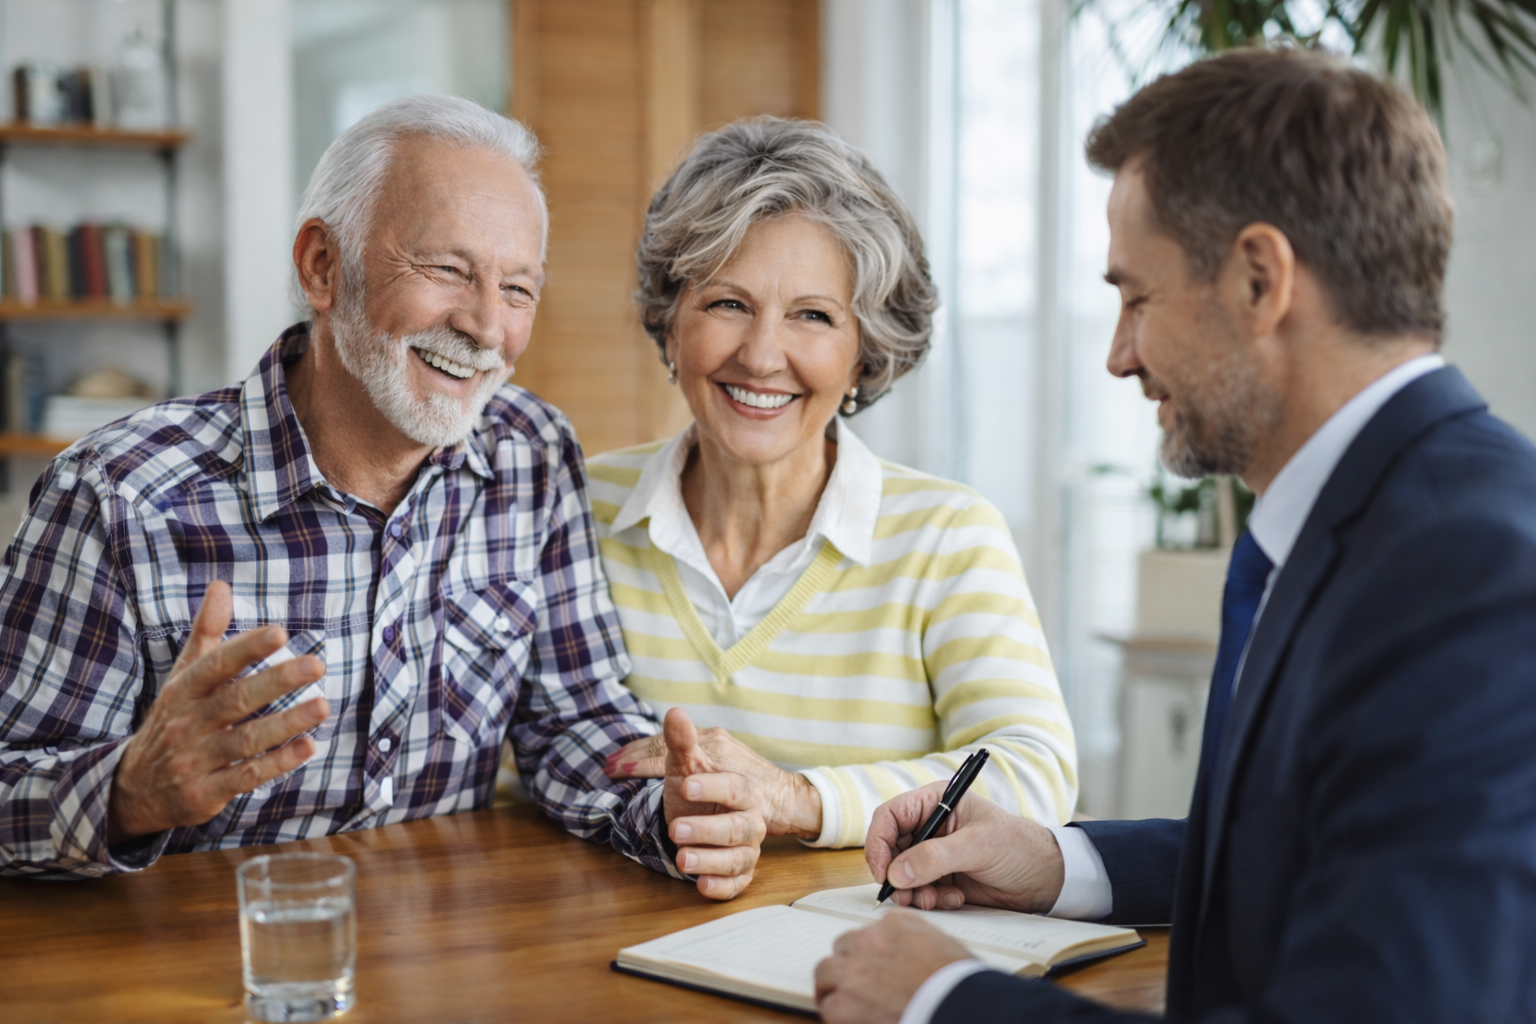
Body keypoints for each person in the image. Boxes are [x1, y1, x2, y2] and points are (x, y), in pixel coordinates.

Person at [813, 47, 1536, 1024]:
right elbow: (1325, 844)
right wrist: (1059, 859)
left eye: (1135, 297)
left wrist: (945, 1001)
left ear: (1258, 280)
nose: (1117, 356)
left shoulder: (1471, 574)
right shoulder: (1356, 517)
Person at [0, 95, 769, 899]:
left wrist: (668, 810)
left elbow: (571, 722)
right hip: (186, 968)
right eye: (446, 270)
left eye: (518, 289)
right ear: (322, 267)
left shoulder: (530, 452)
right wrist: (130, 791)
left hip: (440, 955)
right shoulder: (123, 492)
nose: (484, 327)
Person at [594, 117, 1078, 849]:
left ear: (865, 354)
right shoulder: (576, 506)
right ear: (670, 325)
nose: (761, 356)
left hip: (863, 949)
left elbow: (1035, 775)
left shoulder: (946, 536)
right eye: (728, 303)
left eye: (813, 317)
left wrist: (796, 798)